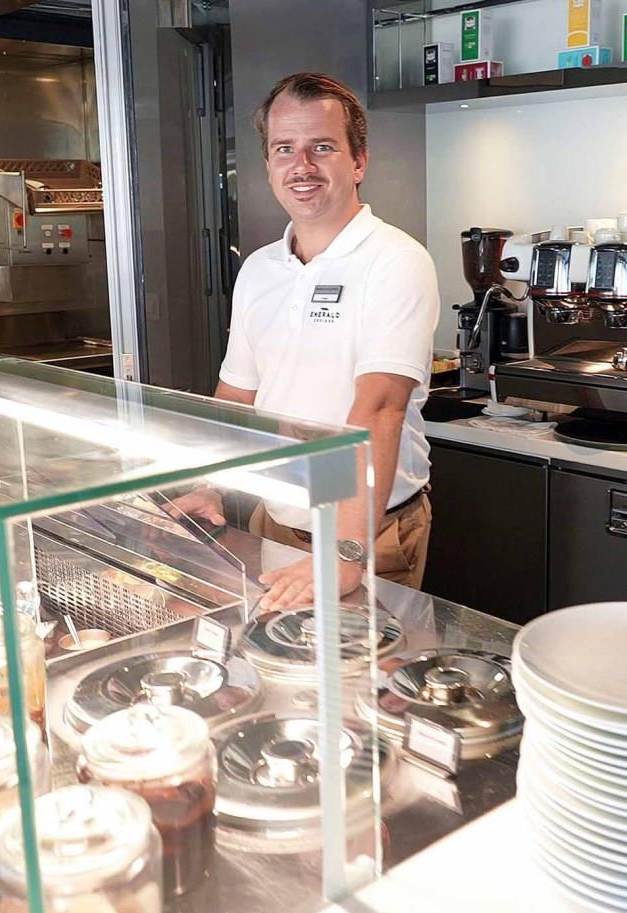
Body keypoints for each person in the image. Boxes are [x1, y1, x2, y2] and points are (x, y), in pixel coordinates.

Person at [173, 72, 439, 611]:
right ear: (269, 164)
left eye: (322, 147)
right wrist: (210, 485)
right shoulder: (259, 268)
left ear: (358, 161)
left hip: (366, 532)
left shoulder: (395, 261)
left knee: (363, 663)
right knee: (273, 659)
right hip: (276, 518)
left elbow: (380, 409)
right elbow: (237, 396)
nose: (302, 166)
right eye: (284, 149)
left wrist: (344, 555)